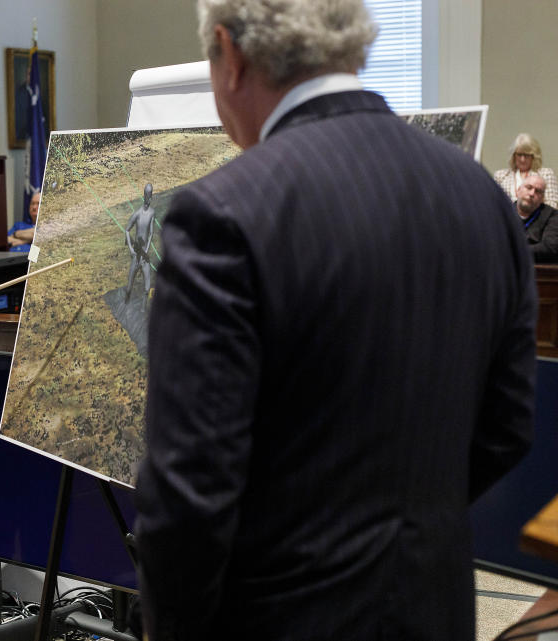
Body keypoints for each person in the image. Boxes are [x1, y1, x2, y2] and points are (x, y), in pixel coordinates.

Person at [134, 1, 537, 639]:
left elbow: (187, 496)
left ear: (228, 53)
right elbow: (509, 423)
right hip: (437, 609)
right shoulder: (479, 194)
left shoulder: (222, 216)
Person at [494, 133, 558, 208]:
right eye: (519, 154)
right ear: (514, 155)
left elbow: (552, 205)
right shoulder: (500, 176)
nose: (522, 159)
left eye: (527, 155)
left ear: (534, 156)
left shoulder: (546, 174)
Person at [123, 183, 156, 303]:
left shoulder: (152, 213)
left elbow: (151, 233)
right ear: (144, 195)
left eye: (151, 194)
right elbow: (127, 230)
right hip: (136, 255)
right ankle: (126, 301)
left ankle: (143, 309)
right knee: (129, 287)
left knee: (147, 288)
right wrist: (131, 250)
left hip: (144, 257)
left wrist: (147, 250)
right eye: (148, 195)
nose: (150, 198)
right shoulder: (137, 214)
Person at [516, 173, 558, 263]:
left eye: (538, 191)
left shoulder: (552, 216)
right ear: (518, 190)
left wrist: (515, 250)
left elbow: (549, 248)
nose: (532, 194)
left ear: (542, 198)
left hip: (538, 272)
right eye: (529, 187)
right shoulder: (504, 212)